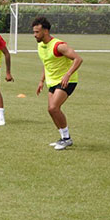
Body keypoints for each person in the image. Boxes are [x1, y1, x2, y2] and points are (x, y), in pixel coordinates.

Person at [32, 16, 83, 150]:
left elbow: (78, 59)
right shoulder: (41, 45)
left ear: (46, 31)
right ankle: (63, 138)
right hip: (52, 82)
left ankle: (67, 139)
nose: (34, 35)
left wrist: (68, 74)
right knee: (52, 111)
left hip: (67, 81)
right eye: (34, 32)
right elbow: (46, 64)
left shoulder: (59, 46)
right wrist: (41, 81)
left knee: (53, 108)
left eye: (37, 32)